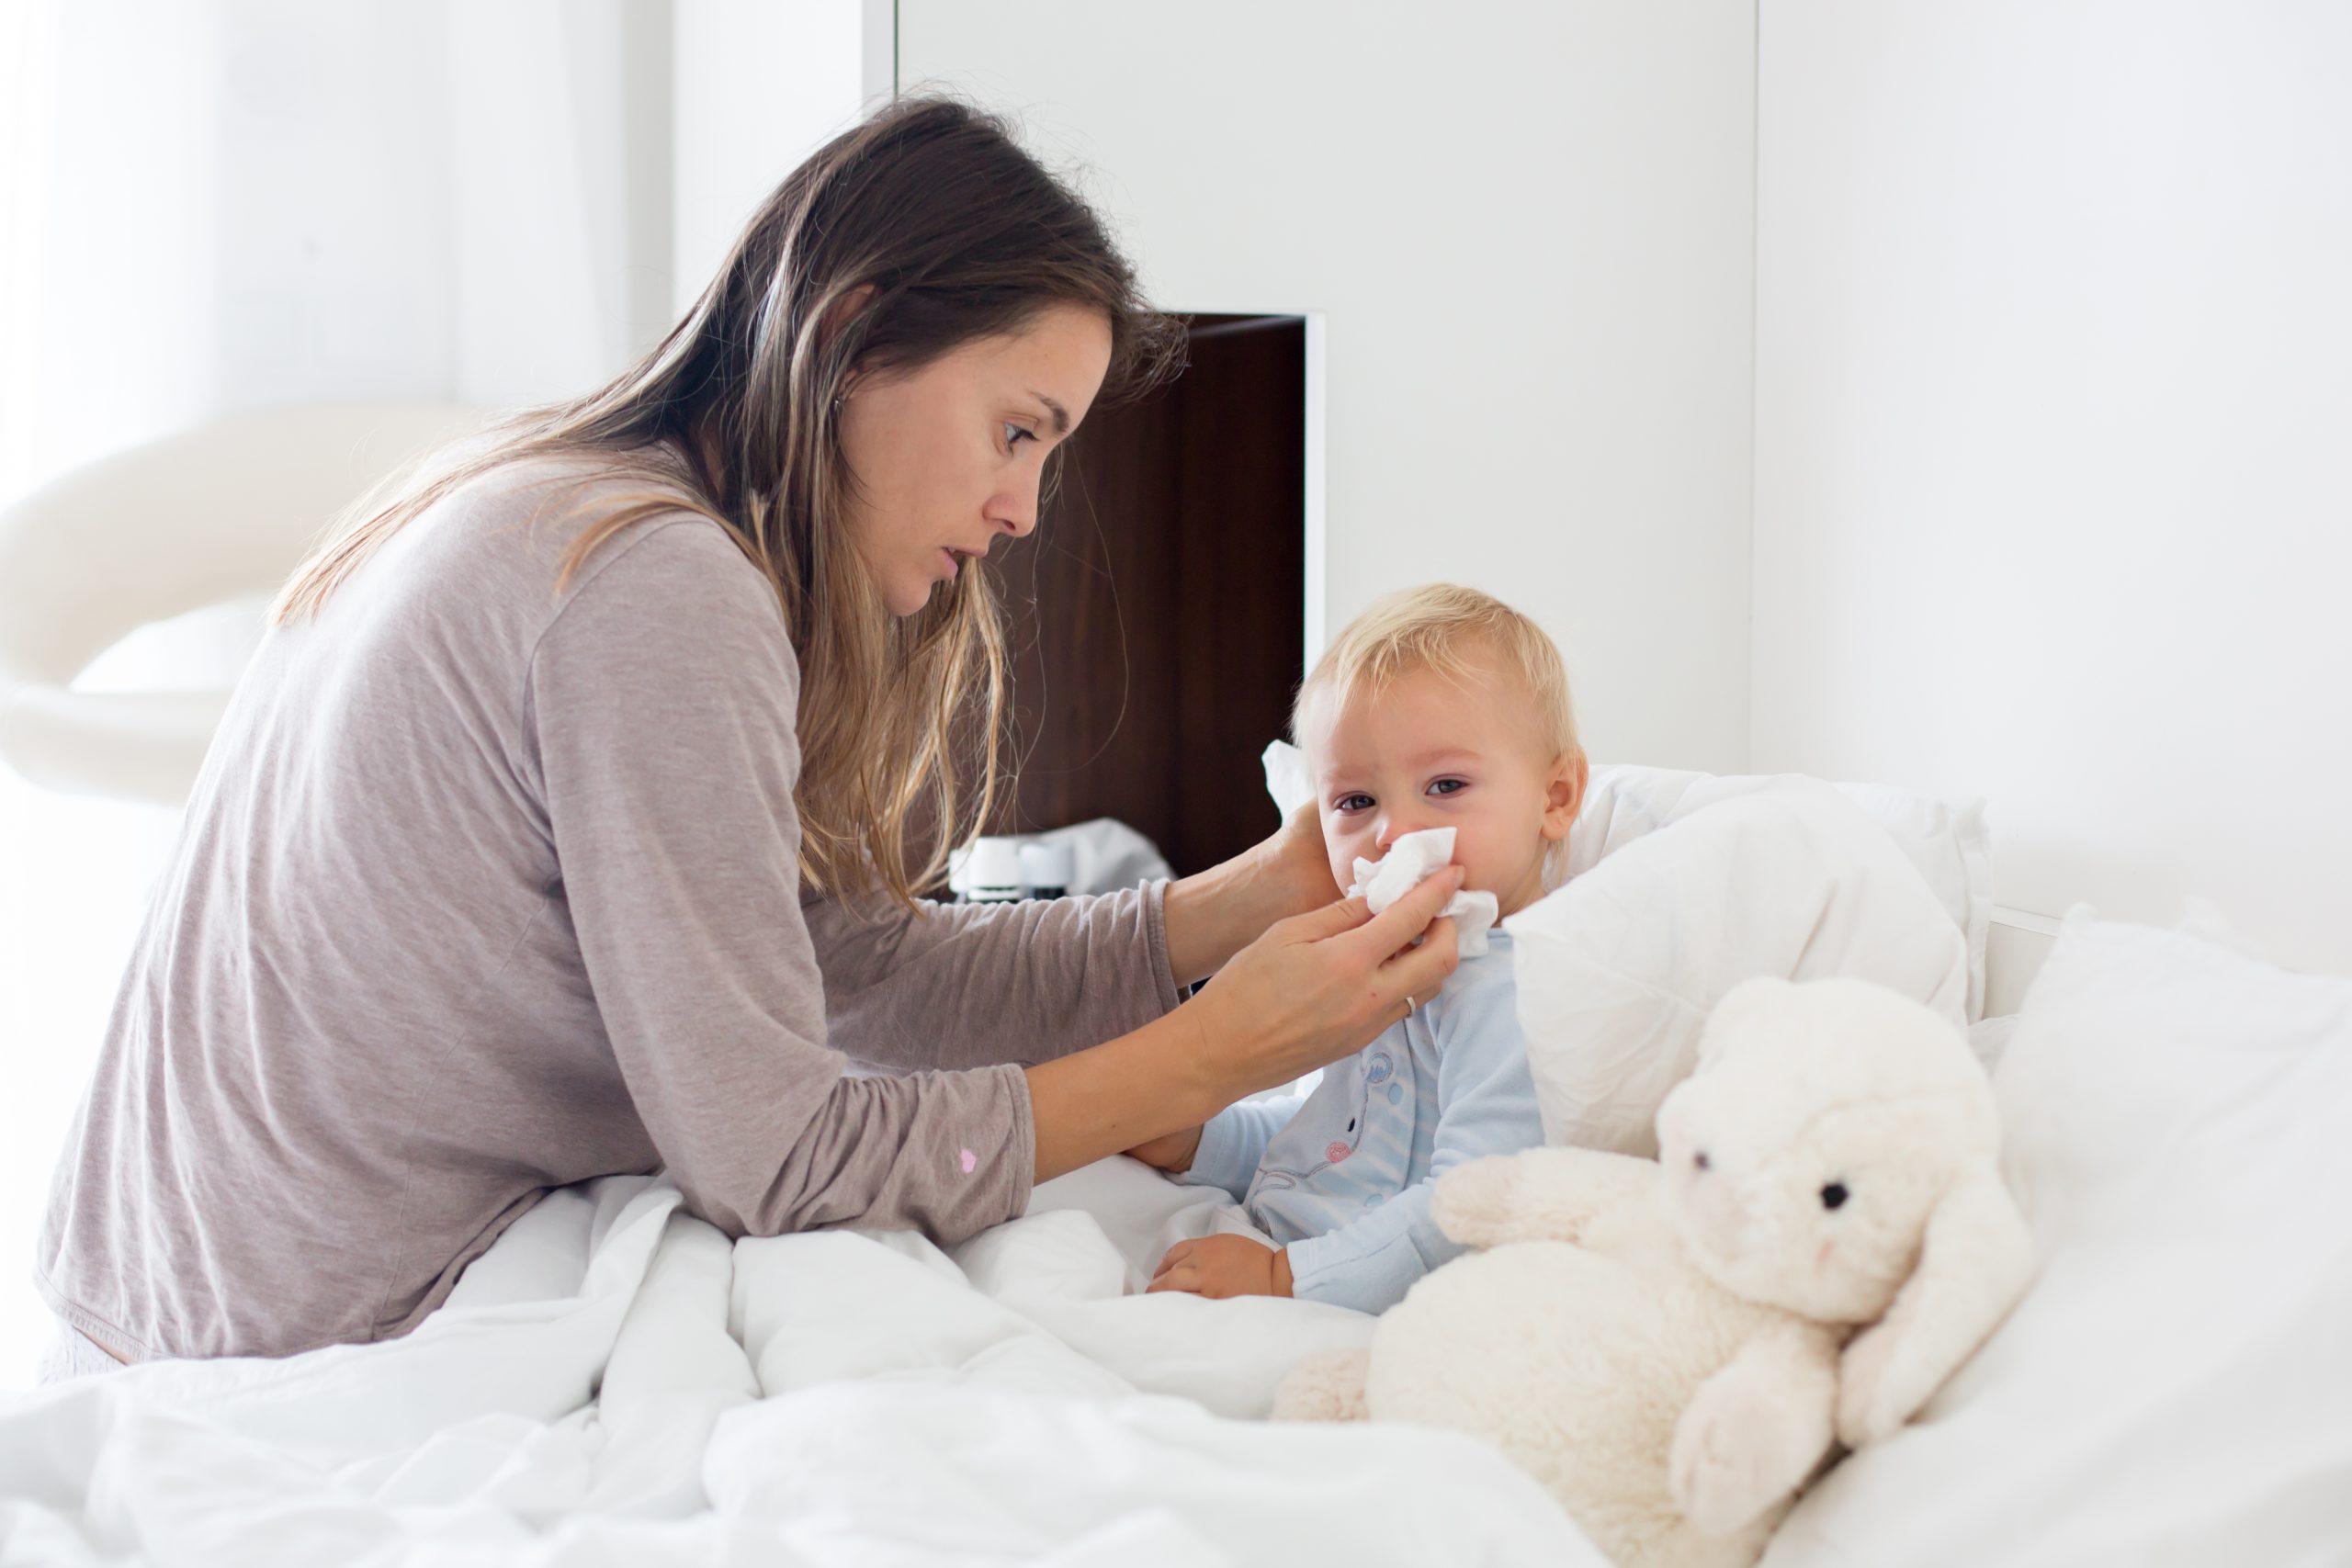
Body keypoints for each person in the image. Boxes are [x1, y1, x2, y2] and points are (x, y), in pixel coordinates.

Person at [32, 97, 1464, 1379]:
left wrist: (1248, 900)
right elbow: (776, 1158)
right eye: (1017, 431)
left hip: (159, 1297)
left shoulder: (564, 494)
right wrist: (1205, 1058)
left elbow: (847, 969)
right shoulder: (656, 583)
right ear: (851, 335)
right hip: (276, 1344)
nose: (1027, 509)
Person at [1135, 585, 1586, 1314]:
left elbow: (1468, 1210)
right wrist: (1202, 1142)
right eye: (1356, 801)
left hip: (1355, 1300)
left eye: (1445, 785)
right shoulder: (1377, 961)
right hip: (1267, 1243)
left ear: (1556, 797)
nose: (1392, 832)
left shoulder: (1515, 990)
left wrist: (1286, 1278)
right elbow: (1328, 1141)